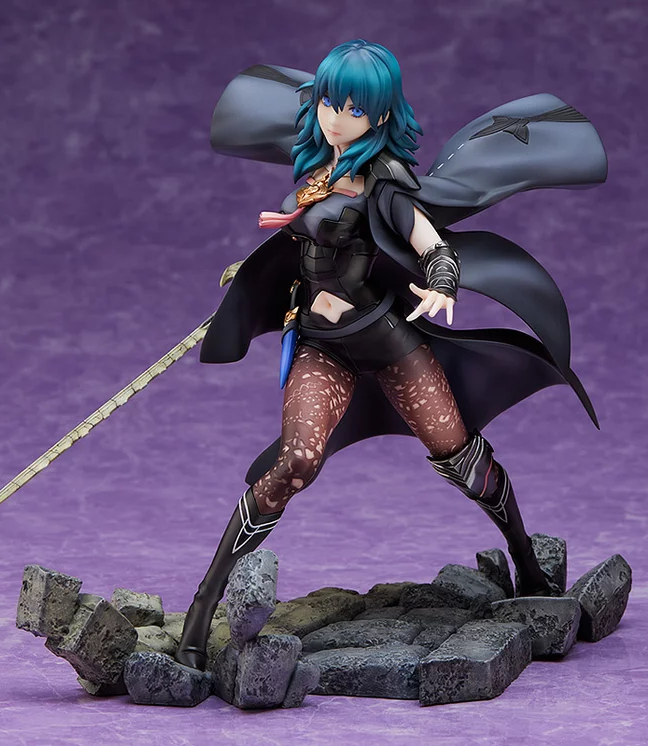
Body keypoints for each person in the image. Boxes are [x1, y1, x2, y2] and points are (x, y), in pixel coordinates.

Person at [175, 40, 607, 671]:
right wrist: (253, 277)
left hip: (388, 341)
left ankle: (526, 562)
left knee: (458, 455)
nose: (336, 118)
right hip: (323, 348)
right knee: (295, 462)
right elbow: (308, 250)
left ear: (379, 115)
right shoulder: (316, 171)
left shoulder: (387, 185)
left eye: (354, 109)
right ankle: (203, 607)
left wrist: (441, 283)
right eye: (330, 103)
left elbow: (434, 247)